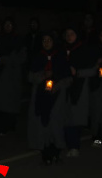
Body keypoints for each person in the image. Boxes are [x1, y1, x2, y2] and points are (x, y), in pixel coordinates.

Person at [27, 31, 71, 165]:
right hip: (41, 95)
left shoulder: (60, 56)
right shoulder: (38, 56)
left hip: (57, 96)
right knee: (42, 123)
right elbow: (30, 76)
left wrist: (57, 85)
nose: (46, 43)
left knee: (55, 123)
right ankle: (45, 152)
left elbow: (68, 78)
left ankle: (56, 151)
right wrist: (42, 76)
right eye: (44, 40)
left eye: (49, 40)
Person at [63, 26, 96, 157]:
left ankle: (75, 145)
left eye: (72, 33)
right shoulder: (62, 50)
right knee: (65, 117)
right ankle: (69, 144)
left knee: (76, 118)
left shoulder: (84, 50)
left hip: (80, 88)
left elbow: (93, 70)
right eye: (67, 34)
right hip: (64, 87)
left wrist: (77, 73)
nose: (69, 36)